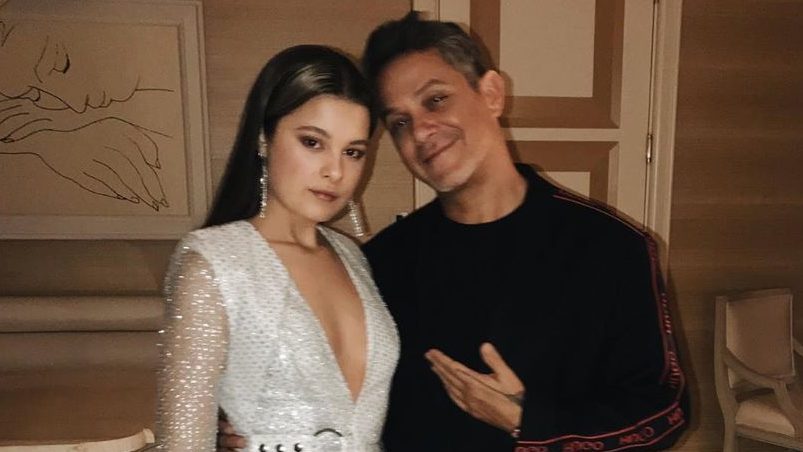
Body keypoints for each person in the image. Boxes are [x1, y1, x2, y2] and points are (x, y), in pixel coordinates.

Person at [219, 12, 689, 452]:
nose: (421, 131)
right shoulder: (382, 262)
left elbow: (666, 412)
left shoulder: (611, 248)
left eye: (436, 100)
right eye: (400, 122)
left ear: (492, 94)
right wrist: (262, 430)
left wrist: (527, 421)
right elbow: (337, 393)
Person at [157, 45, 399, 452]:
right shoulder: (215, 263)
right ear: (263, 138)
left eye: (353, 152)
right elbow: (182, 444)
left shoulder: (354, 258)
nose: (335, 171)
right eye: (312, 142)